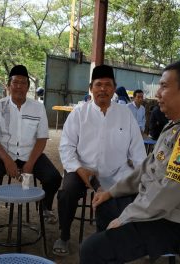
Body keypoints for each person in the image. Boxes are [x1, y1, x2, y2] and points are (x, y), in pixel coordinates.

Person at [80, 60, 180, 263]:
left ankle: (109, 247)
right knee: (105, 205)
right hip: (157, 208)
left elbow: (170, 190)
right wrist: (111, 192)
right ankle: (113, 247)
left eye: (164, 86)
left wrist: (126, 217)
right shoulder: (175, 126)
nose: (157, 93)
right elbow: (146, 168)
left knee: (91, 250)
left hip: (176, 222)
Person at [53, 65, 147, 256]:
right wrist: (79, 169)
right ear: (91, 88)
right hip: (82, 170)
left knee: (136, 192)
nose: (103, 89)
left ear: (114, 88)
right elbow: (66, 147)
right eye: (98, 85)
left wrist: (143, 178)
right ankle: (64, 235)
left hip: (117, 173)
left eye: (107, 85)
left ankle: (111, 242)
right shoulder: (79, 114)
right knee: (66, 193)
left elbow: (137, 152)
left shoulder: (125, 114)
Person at [0, 65, 62, 224]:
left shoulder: (38, 108)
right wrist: (7, 160)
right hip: (4, 153)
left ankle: (46, 208)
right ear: (8, 85)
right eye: (15, 82)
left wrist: (30, 164)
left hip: (30, 154)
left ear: (28, 87)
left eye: (23, 83)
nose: (19, 86)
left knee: (53, 178)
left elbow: (41, 139)